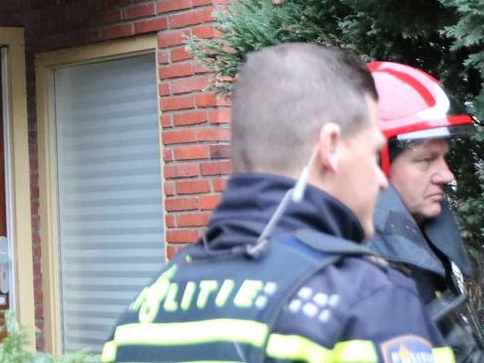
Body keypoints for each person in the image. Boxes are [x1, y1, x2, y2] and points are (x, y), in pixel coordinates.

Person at [103, 43, 454, 362]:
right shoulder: (369, 301)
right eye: (374, 153)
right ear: (330, 146)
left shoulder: (142, 311)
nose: (380, 179)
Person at [366, 61, 484, 361]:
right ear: (373, 165)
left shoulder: (418, 247)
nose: (447, 176)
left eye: (444, 159)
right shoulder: (364, 273)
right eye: (426, 160)